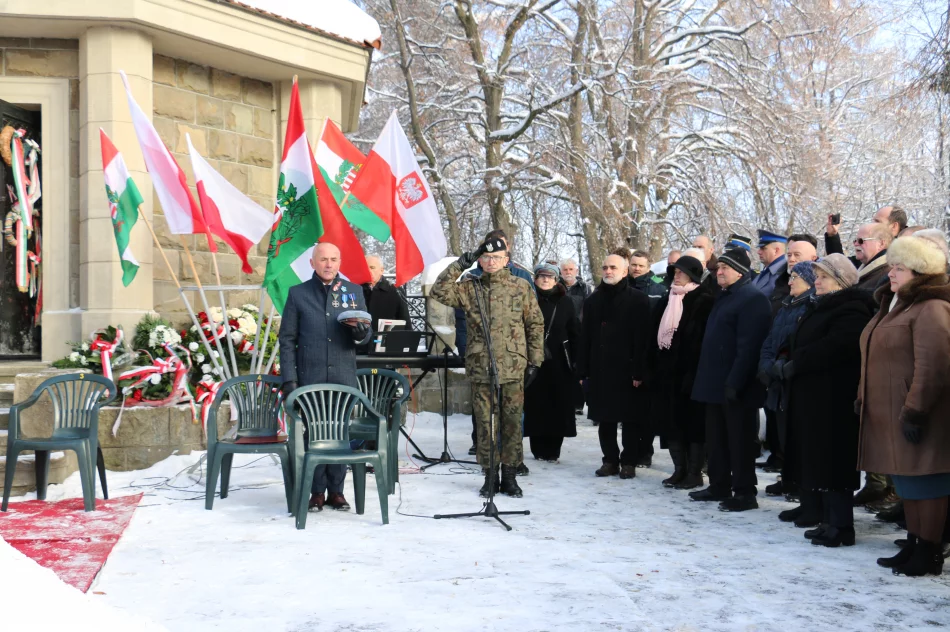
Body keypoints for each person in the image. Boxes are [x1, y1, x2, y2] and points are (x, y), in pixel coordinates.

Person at [859, 230, 950, 576]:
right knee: (908, 483)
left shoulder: (932, 307)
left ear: (920, 271)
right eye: (891, 266)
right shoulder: (898, 304)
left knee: (927, 484)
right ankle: (914, 543)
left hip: (920, 414)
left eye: (899, 267)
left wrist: (916, 410)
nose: (891, 272)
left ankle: (929, 552)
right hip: (895, 412)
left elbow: (934, 365)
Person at [431, 236, 544, 498]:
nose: (491, 262)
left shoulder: (520, 286)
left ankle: (510, 475)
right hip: (481, 365)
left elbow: (535, 324)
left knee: (512, 422)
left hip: (513, 366)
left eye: (496, 257)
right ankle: (490, 475)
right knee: (485, 422)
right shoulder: (470, 287)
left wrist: (535, 360)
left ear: (506, 260)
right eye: (486, 257)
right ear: (480, 260)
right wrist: (461, 264)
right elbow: (439, 291)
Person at [780, 254, 875, 547]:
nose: (817, 281)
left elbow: (837, 346)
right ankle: (828, 520)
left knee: (835, 460)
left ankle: (842, 525)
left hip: (835, 397)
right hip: (815, 395)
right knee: (819, 459)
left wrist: (799, 361)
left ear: (841, 281)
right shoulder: (823, 305)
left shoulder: (851, 309)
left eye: (823, 277)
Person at [279, 243, 372, 513]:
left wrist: (361, 334)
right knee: (314, 432)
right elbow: (287, 340)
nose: (328, 264)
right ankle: (317, 491)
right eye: (323, 259)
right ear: (313, 263)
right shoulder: (298, 294)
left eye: (333, 259)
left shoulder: (353, 292)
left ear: (339, 262)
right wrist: (290, 381)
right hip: (311, 377)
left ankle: (337, 492)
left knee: (340, 431)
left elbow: (365, 336)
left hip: (343, 377)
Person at [689, 248, 772, 511]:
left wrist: (735, 382)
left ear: (740, 271)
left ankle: (745, 492)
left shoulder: (753, 299)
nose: (719, 272)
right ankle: (719, 485)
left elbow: (749, 347)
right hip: (714, 383)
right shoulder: (725, 296)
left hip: (737, 385)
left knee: (740, 441)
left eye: (725, 268)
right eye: (718, 268)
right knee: (716, 440)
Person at [577, 253, 652, 479]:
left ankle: (629, 461)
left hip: (627, 369)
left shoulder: (639, 300)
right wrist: (582, 370)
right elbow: (585, 337)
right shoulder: (593, 301)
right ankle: (610, 460)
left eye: (613, 268)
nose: (608, 271)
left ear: (624, 271)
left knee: (630, 419)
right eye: (605, 267)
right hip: (600, 368)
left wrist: (639, 371)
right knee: (605, 418)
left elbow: (643, 339)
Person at [650, 255, 715, 489]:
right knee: (671, 424)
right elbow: (653, 334)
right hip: (667, 374)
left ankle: (694, 472)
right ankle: (679, 470)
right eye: (674, 272)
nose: (676, 276)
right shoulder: (667, 299)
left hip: (692, 373)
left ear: (692, 275)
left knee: (693, 425)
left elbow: (703, 340)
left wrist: (694, 372)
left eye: (681, 272)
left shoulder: (704, 300)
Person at [758, 262, 816, 504]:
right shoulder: (785, 307)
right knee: (783, 436)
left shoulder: (811, 306)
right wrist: (766, 367)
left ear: (810, 281)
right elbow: (770, 340)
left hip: (794, 381)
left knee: (798, 437)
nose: (790, 282)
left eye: (795, 278)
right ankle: (788, 478)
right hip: (777, 380)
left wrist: (784, 367)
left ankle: (800, 484)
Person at [523, 262, 580, 462]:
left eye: (550, 276)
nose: (545, 280)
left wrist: (576, 360)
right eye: (542, 276)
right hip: (532, 360)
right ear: (535, 279)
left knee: (558, 405)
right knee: (535, 405)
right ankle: (538, 448)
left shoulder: (565, 302)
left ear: (556, 280)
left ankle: (554, 449)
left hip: (559, 360)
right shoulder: (527, 299)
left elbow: (574, 331)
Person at [360, 255, 410, 352]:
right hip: (361, 349)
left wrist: (406, 349)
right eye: (365, 268)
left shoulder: (395, 291)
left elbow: (405, 321)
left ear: (381, 270)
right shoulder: (356, 290)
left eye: (372, 267)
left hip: (387, 348)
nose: (368, 271)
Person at [852, 223, 892, 293]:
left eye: (861, 240)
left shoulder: (887, 275)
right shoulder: (863, 268)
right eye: (855, 240)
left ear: (881, 244)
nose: (856, 244)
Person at [752, 230, 788, 296]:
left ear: (776, 250)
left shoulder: (784, 273)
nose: (758, 252)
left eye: (763, 248)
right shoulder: (768, 270)